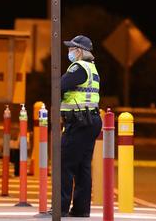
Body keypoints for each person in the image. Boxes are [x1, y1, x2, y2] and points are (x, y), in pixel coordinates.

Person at [60, 35, 102, 217]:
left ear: (79, 51)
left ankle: (59, 208)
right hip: (91, 120)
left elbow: (59, 85)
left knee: (66, 165)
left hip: (79, 121)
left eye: (72, 48)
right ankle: (80, 209)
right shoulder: (92, 68)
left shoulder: (78, 67)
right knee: (83, 167)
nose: (69, 51)